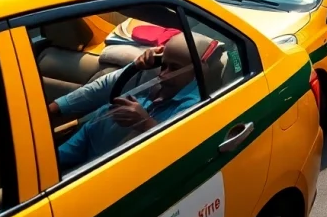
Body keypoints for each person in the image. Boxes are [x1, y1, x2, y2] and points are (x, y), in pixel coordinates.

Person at [49, 33, 209, 172]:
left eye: (174, 68)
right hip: (88, 137)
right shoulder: (148, 75)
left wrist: (146, 124)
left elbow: (182, 155)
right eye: (164, 65)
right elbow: (104, 86)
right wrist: (136, 67)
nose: (163, 74)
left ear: (196, 71)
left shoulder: (192, 107)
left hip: (105, 169)